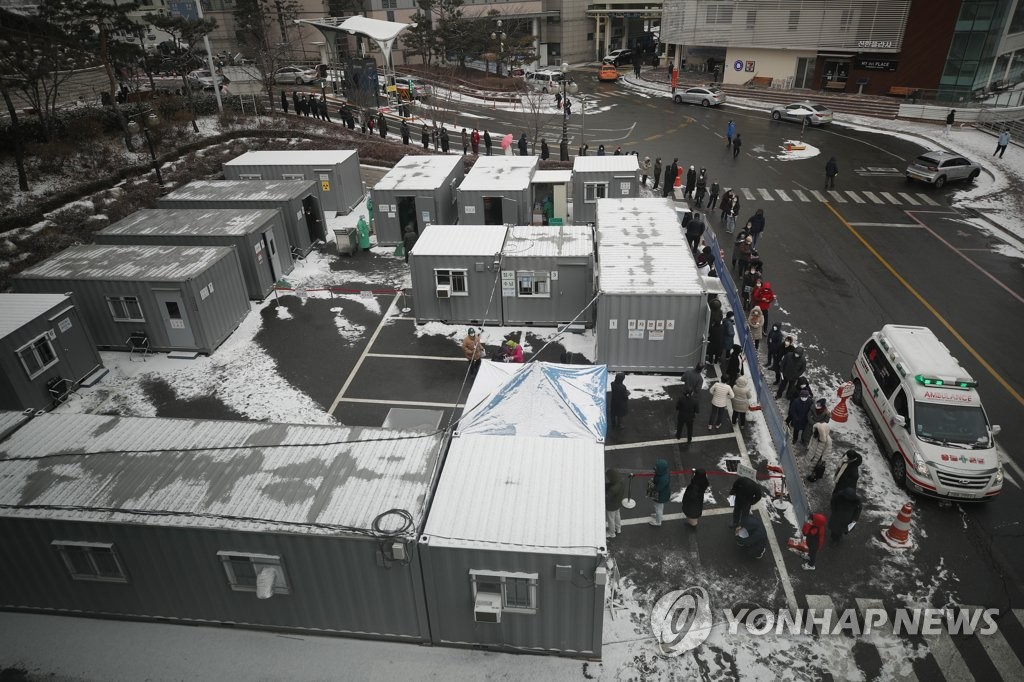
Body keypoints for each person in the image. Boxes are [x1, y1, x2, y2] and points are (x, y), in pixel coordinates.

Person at [649, 459, 671, 527]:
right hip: (663, 494)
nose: (655, 468)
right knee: (660, 506)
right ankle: (659, 516)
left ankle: (658, 522)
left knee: (657, 507)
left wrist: (651, 485)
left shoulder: (663, 479)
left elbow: (658, 488)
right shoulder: (664, 473)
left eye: (657, 467)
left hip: (660, 496)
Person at [605, 468, 625, 538]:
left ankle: (611, 533)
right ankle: (618, 528)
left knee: (611, 519)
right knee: (617, 516)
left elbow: (607, 497)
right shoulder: (621, 481)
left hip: (611, 506)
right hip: (617, 503)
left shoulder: (612, 489)